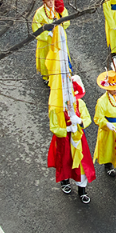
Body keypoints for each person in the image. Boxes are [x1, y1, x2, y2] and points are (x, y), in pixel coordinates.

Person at [47, 75, 96, 204]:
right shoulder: (56, 108)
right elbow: (54, 127)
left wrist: (79, 122)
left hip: (78, 138)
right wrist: (67, 129)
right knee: (65, 161)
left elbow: (87, 119)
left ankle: (82, 190)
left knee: (81, 164)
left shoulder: (80, 104)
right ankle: (65, 180)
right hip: (63, 140)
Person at [32, 0, 70, 89]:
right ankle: (47, 76)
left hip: (58, 36)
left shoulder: (59, 9)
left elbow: (66, 21)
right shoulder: (39, 13)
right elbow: (35, 27)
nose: (50, 2)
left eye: (52, 0)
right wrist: (46, 33)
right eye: (48, 0)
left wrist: (61, 23)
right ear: (44, 1)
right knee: (46, 57)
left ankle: (61, 72)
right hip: (46, 39)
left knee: (60, 54)